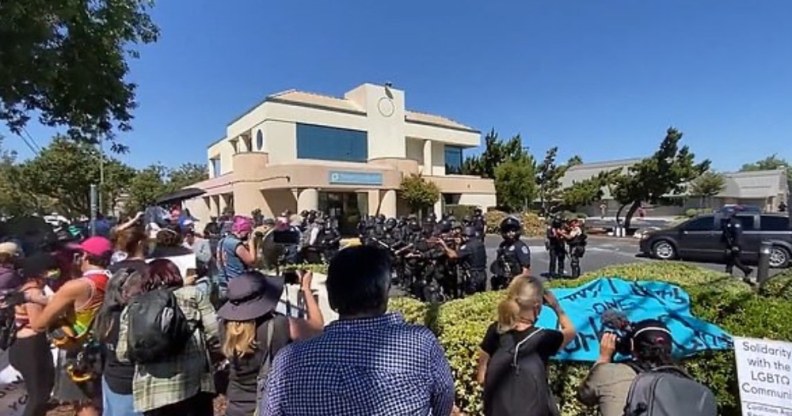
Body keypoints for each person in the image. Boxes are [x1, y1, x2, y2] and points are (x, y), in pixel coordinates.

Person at [262, 245, 455, 416]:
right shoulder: (421, 344)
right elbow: (443, 400)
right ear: (384, 294)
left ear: (331, 298)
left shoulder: (289, 360)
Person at [116, 259, 220, 416]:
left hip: (152, 395)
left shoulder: (134, 306)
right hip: (192, 386)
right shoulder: (192, 294)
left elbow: (122, 354)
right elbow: (215, 332)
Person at [218, 270, 323, 416]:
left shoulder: (225, 326)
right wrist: (306, 289)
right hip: (267, 406)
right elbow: (317, 327)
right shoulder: (278, 325)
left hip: (236, 407)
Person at [31, 236, 114, 416]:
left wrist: (31, 299)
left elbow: (38, 324)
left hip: (80, 351)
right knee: (101, 401)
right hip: (108, 347)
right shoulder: (115, 279)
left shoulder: (77, 286)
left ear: (84, 256)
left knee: (85, 405)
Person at [477, 275, 576, 416]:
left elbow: (482, 370)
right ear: (537, 307)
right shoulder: (544, 338)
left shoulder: (496, 330)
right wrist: (556, 307)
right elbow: (571, 332)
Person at [95, 225, 149, 416]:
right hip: (135, 363)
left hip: (112, 360)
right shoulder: (148, 269)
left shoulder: (112, 269)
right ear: (141, 243)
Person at [577, 320, 675, 416]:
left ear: (632, 345)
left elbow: (584, 396)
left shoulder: (611, 373)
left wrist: (604, 357)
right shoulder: (685, 379)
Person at [7, 253, 57, 416]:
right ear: (40, 273)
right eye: (49, 271)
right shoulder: (33, 293)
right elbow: (37, 324)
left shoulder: (27, 291)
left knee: (40, 391)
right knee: (38, 395)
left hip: (27, 346)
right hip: (31, 347)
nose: (52, 274)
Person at [217, 216, 258, 302]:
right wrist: (251, 242)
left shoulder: (222, 241)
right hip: (237, 286)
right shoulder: (235, 244)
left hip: (223, 285)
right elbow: (252, 261)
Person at [438, 226, 487, 294]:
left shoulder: (468, 246)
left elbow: (452, 255)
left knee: (470, 296)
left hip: (473, 275)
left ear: (466, 236)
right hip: (482, 273)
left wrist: (444, 245)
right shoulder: (479, 243)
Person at [490, 216, 532, 290]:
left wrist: (519, 284)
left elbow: (526, 270)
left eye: (513, 231)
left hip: (516, 281)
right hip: (503, 280)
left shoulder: (520, 247)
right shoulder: (502, 245)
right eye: (507, 231)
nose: (510, 233)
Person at [721, 211, 752, 278]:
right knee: (730, 260)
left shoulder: (736, 222)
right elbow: (726, 234)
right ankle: (729, 273)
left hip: (735, 244)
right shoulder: (726, 222)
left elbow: (738, 235)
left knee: (734, 260)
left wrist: (736, 245)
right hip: (729, 244)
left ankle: (746, 269)